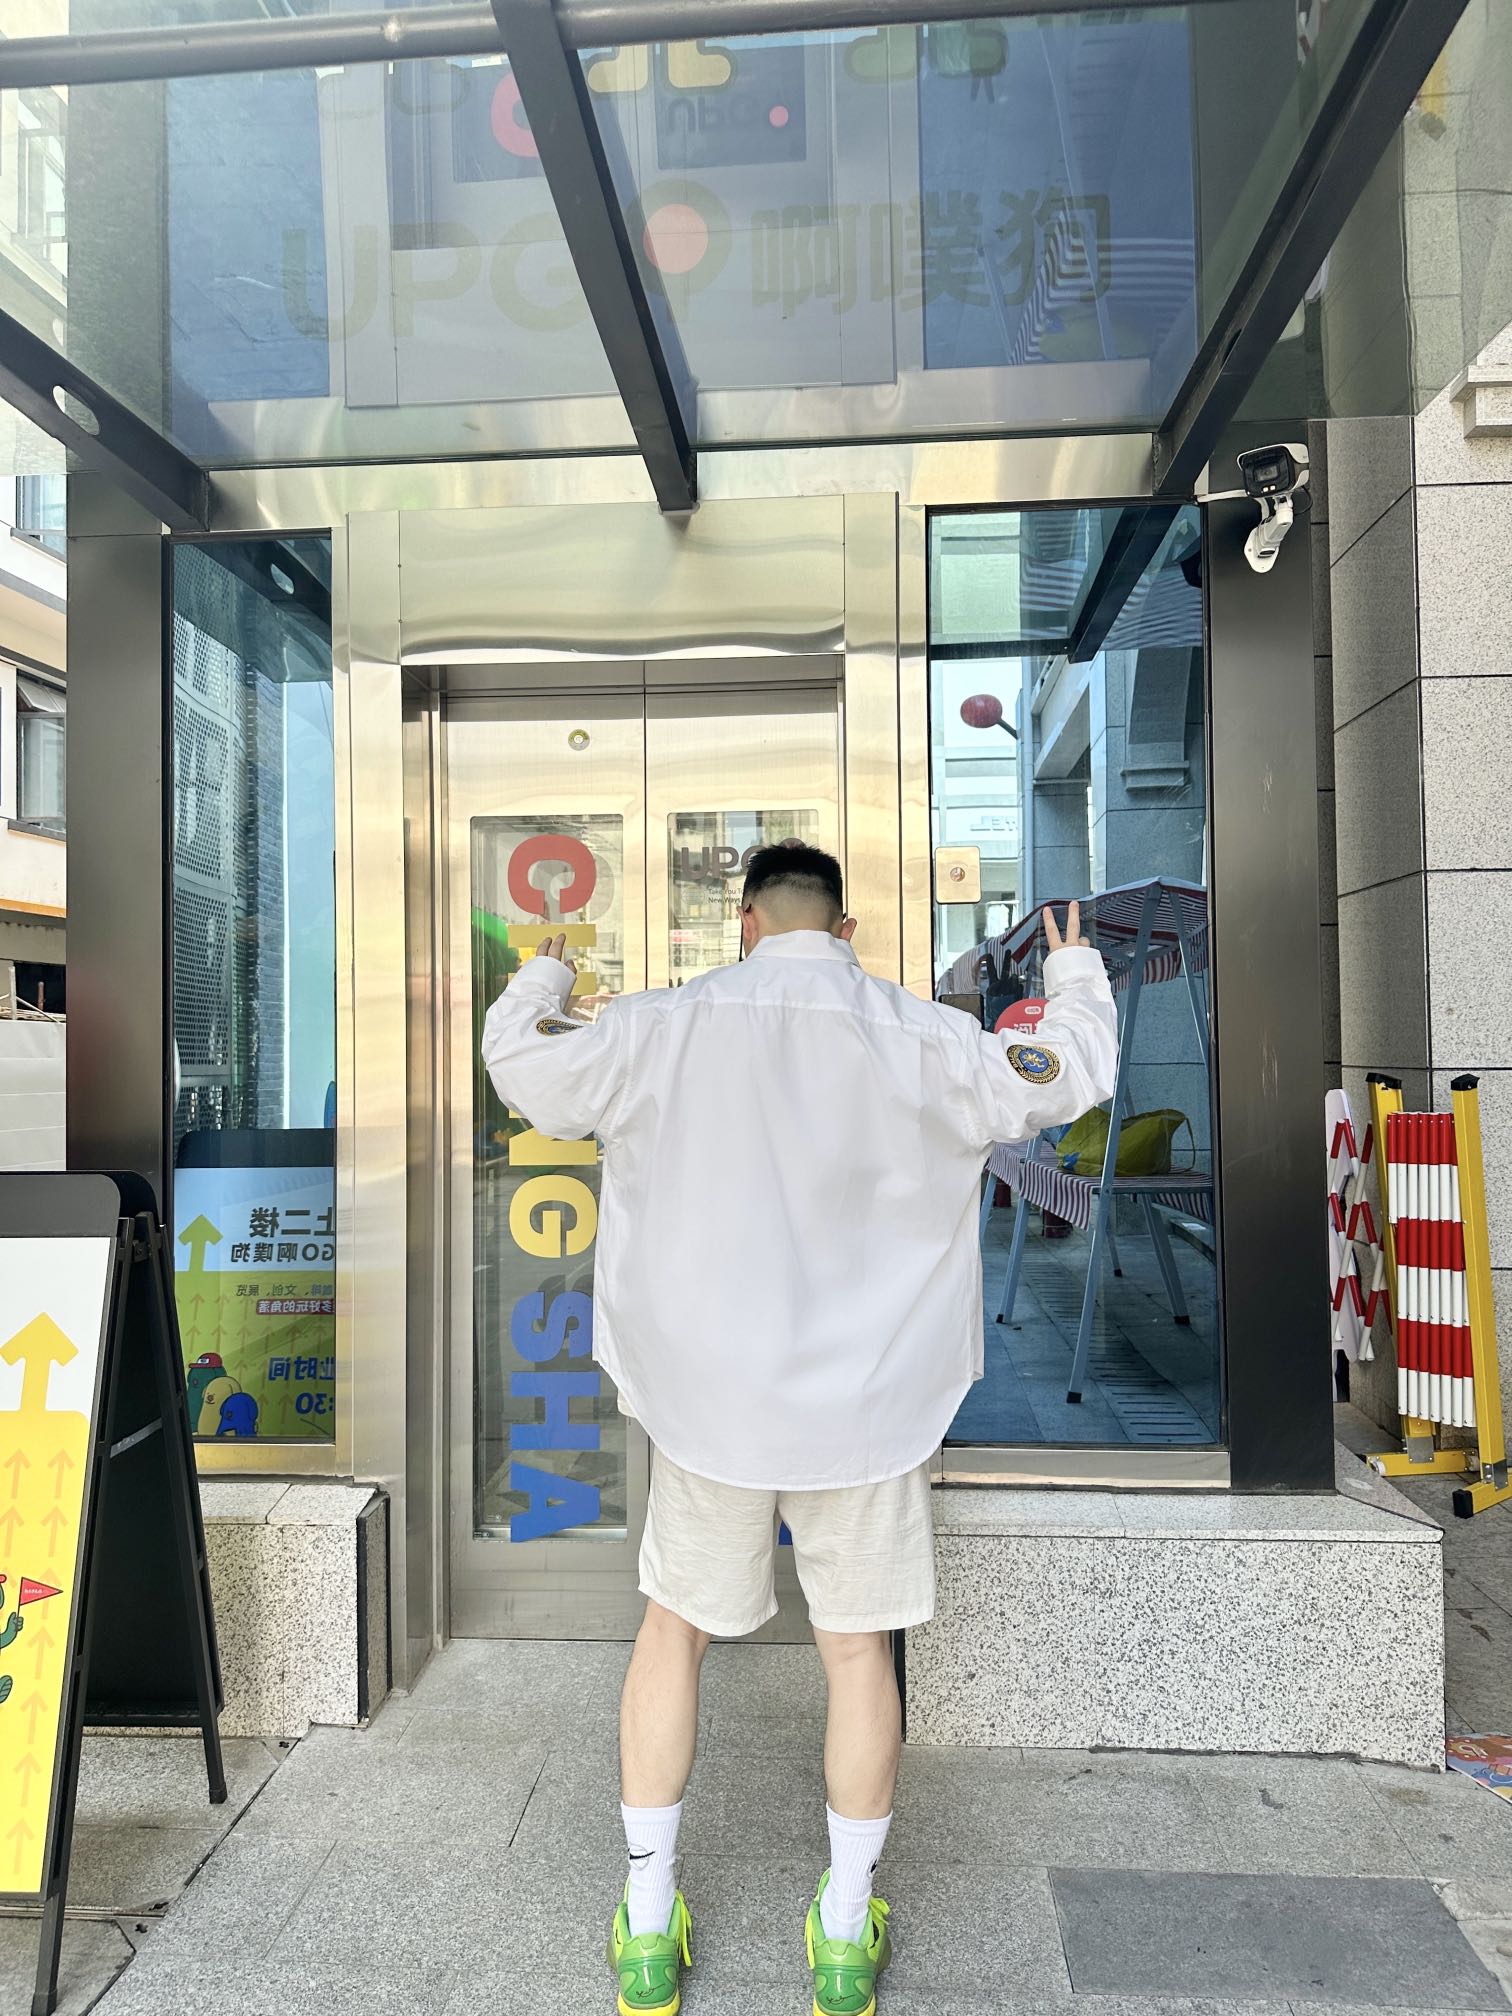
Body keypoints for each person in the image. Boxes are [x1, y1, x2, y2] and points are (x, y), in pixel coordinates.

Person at [481, 843, 1118, 2016]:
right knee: (857, 1653)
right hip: (866, 1412)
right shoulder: (926, 1038)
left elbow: (522, 1065)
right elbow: (1067, 1075)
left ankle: (647, 1924)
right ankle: (840, 1935)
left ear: (745, 921)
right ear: (846, 927)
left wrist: (546, 978)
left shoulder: (661, 1028)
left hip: (710, 1410)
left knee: (672, 1634)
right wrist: (1074, 974)